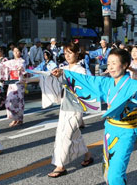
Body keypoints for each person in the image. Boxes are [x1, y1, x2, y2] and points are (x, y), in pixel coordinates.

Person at [52, 48, 137, 185]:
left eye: (114, 63)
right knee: (108, 172)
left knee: (115, 174)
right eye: (108, 63)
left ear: (125, 65)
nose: (109, 67)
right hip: (109, 130)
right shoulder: (107, 82)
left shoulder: (133, 84)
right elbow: (88, 81)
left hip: (125, 133)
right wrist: (63, 74)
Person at [34, 42, 93, 178]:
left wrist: (63, 74)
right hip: (65, 104)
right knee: (73, 132)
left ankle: (60, 165)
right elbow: (53, 81)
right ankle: (87, 155)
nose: (67, 56)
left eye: (70, 53)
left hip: (76, 105)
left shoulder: (81, 70)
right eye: (65, 53)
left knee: (64, 133)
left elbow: (82, 84)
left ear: (77, 53)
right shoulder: (63, 67)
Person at [2, 46, 26, 127]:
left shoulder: (22, 61)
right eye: (14, 51)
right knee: (9, 100)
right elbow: (2, 66)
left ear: (20, 52)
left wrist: (20, 69)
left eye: (18, 51)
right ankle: (15, 118)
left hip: (19, 83)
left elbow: (23, 69)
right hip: (12, 83)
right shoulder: (10, 62)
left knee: (19, 101)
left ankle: (19, 119)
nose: (16, 53)